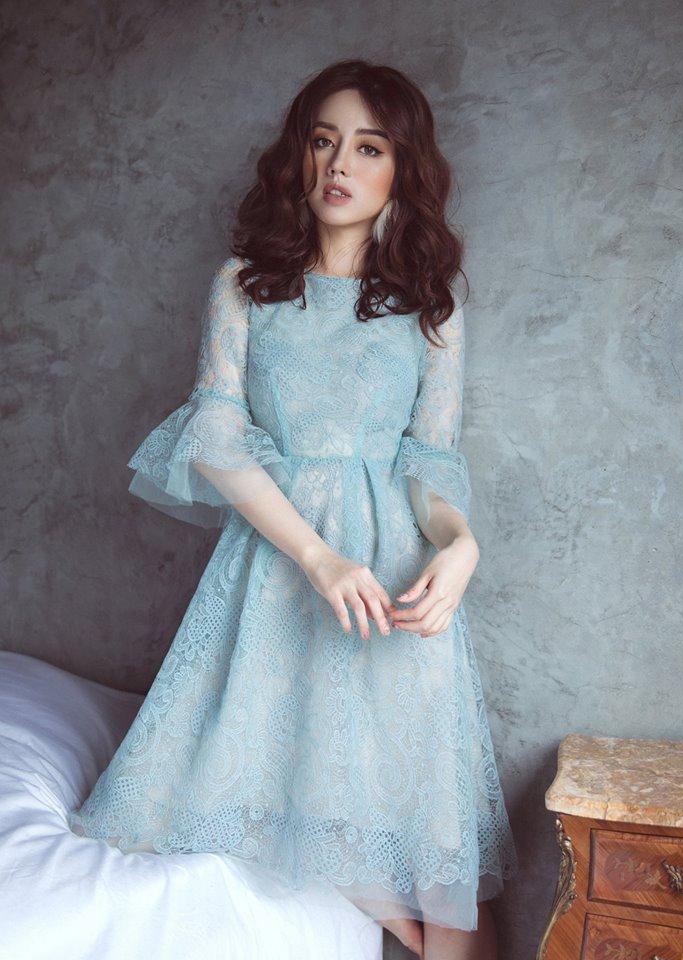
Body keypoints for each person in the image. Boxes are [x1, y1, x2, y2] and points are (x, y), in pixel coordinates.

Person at [67, 59, 518, 959]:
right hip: (279, 566)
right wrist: (317, 558)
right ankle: (396, 925)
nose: (338, 164)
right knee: (243, 782)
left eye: (368, 147)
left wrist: (460, 543)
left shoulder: (430, 305)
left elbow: (428, 461)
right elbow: (216, 439)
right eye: (322, 141)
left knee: (443, 870)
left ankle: (427, 935)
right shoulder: (246, 284)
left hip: (390, 580)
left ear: (403, 168)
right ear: (298, 156)